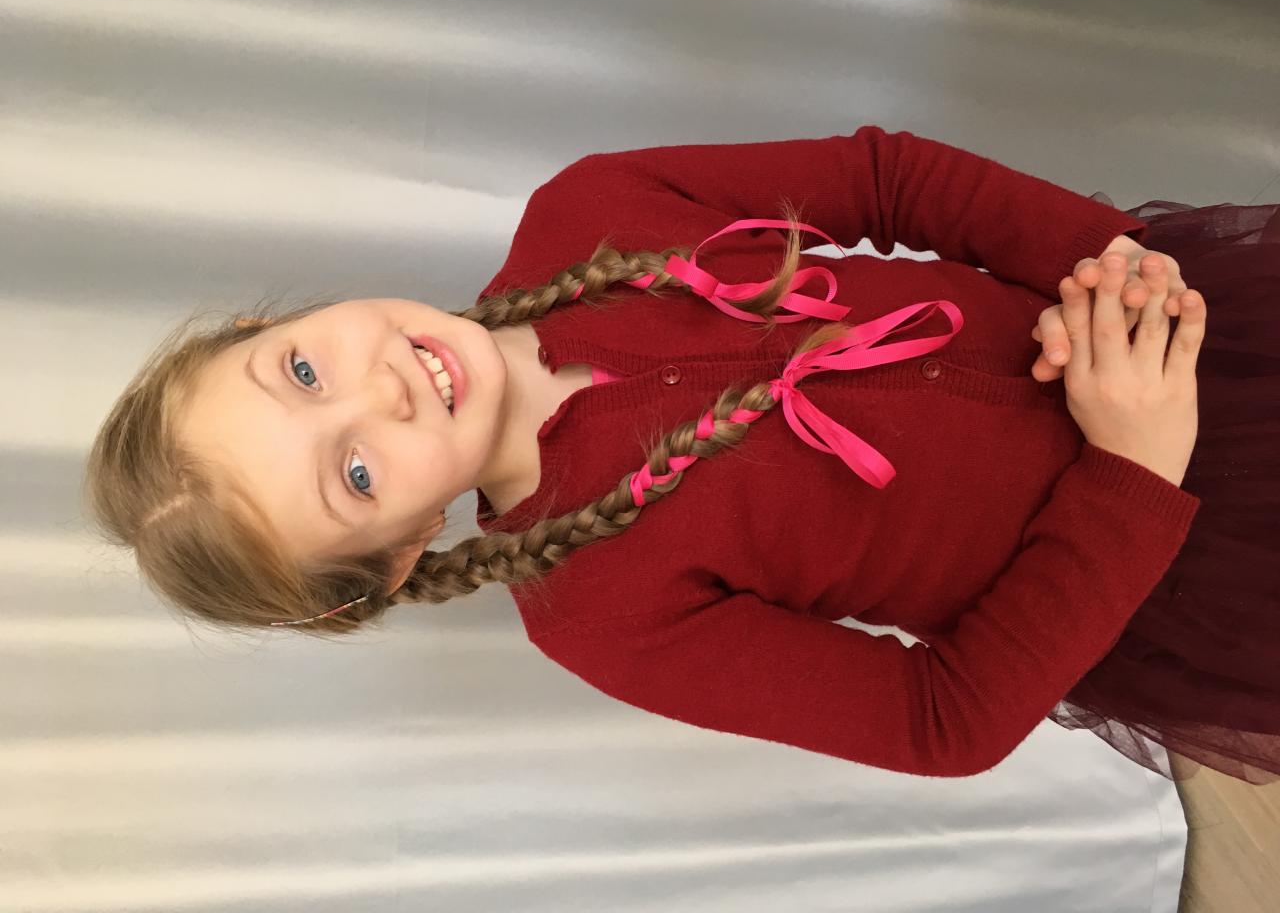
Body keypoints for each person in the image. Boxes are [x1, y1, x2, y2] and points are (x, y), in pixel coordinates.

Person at [83, 125, 1280, 785]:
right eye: (353, 474)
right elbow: (941, 720)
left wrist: (1108, 263)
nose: (378, 394)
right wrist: (1132, 467)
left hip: (1191, 337)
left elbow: (885, 180)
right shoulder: (599, 616)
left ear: (277, 322)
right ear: (399, 555)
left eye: (301, 370)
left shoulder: (585, 205)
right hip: (1185, 560)